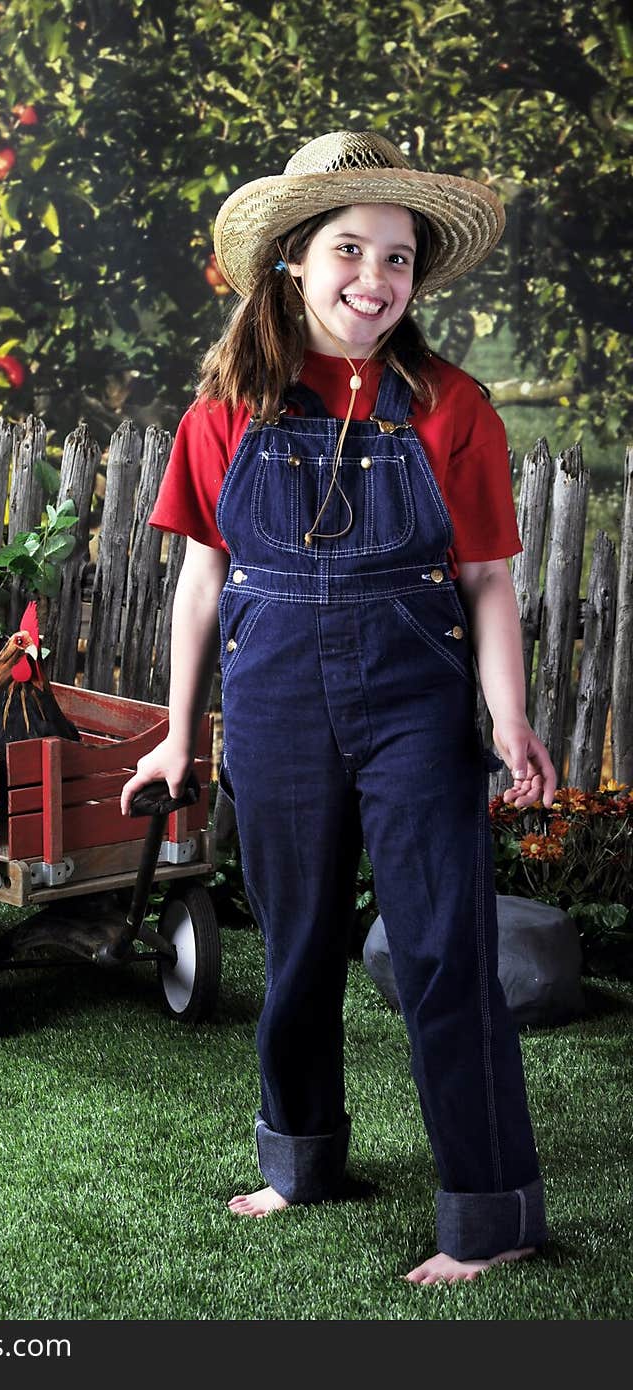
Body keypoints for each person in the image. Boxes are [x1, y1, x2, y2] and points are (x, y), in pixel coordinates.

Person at [120, 130, 557, 1285]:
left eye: (398, 259)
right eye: (348, 249)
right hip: (271, 697)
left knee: (438, 949)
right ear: (290, 265)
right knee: (299, 942)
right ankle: (300, 1158)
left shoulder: (450, 406)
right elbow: (201, 581)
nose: (375, 279)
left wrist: (506, 720)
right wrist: (180, 730)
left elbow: (486, 580)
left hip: (412, 695)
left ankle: (490, 1209)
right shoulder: (223, 410)